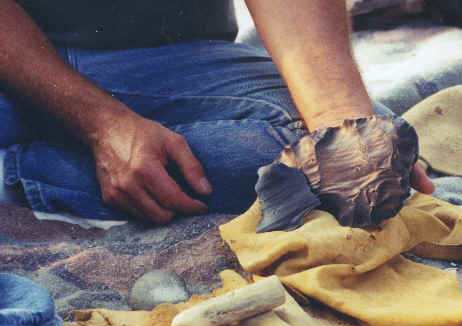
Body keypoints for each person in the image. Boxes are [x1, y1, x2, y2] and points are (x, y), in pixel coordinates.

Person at [0, 0, 434, 224]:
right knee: (292, 175)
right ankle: (16, 169)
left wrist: (347, 125)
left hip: (174, 55)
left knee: (361, 151)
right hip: (15, 56)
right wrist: (102, 126)